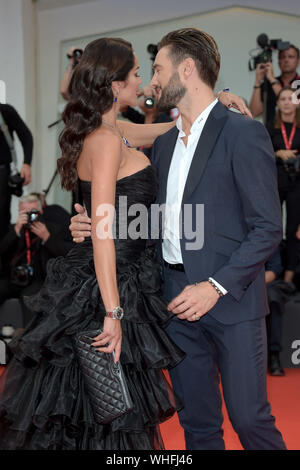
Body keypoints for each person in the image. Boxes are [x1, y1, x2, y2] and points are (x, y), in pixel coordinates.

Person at [0, 35, 249, 450]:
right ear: (115, 84)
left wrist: (216, 101)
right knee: (101, 414)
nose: (144, 82)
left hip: (122, 280)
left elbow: (177, 125)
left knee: (108, 411)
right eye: (136, 73)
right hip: (104, 289)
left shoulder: (117, 130)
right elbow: (101, 233)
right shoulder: (105, 140)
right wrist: (113, 312)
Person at [71, 28, 286, 450]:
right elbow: (159, 223)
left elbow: (267, 228)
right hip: (172, 301)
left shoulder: (242, 133)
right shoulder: (165, 144)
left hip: (231, 301)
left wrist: (215, 286)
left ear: (187, 70)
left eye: (158, 69)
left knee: (249, 419)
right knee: (198, 425)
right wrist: (90, 227)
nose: (151, 81)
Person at [0, 194, 73, 325]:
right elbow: (2, 252)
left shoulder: (53, 229)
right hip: (15, 278)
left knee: (31, 297)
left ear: (41, 212)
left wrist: (47, 238)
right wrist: (16, 231)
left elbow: (67, 254)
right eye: (24, 213)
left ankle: (28, 339)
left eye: (32, 213)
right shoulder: (14, 230)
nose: (29, 217)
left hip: (39, 279)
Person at [266, 87, 300, 288]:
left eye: (291, 98)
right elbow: (261, 154)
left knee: (293, 229)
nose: (287, 102)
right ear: (277, 103)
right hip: (276, 181)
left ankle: (288, 277)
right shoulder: (271, 126)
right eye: (283, 99)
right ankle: (273, 272)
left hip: (297, 183)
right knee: (273, 227)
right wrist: (278, 154)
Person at [0, 103, 33, 239]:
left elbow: (26, 136)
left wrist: (26, 163)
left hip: (2, 174)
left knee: (2, 219)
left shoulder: (5, 111)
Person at [249, 45, 300, 124]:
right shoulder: (268, 84)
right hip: (272, 133)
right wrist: (258, 81)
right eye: (282, 57)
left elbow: (296, 106)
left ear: (298, 61)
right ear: (278, 61)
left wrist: (272, 79)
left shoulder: (272, 81)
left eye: (291, 57)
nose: (286, 60)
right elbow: (254, 112)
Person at [265, 247, 286, 376]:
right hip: (234, 283)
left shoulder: (268, 239)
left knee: (273, 300)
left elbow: (274, 270)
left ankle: (274, 354)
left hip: (264, 283)